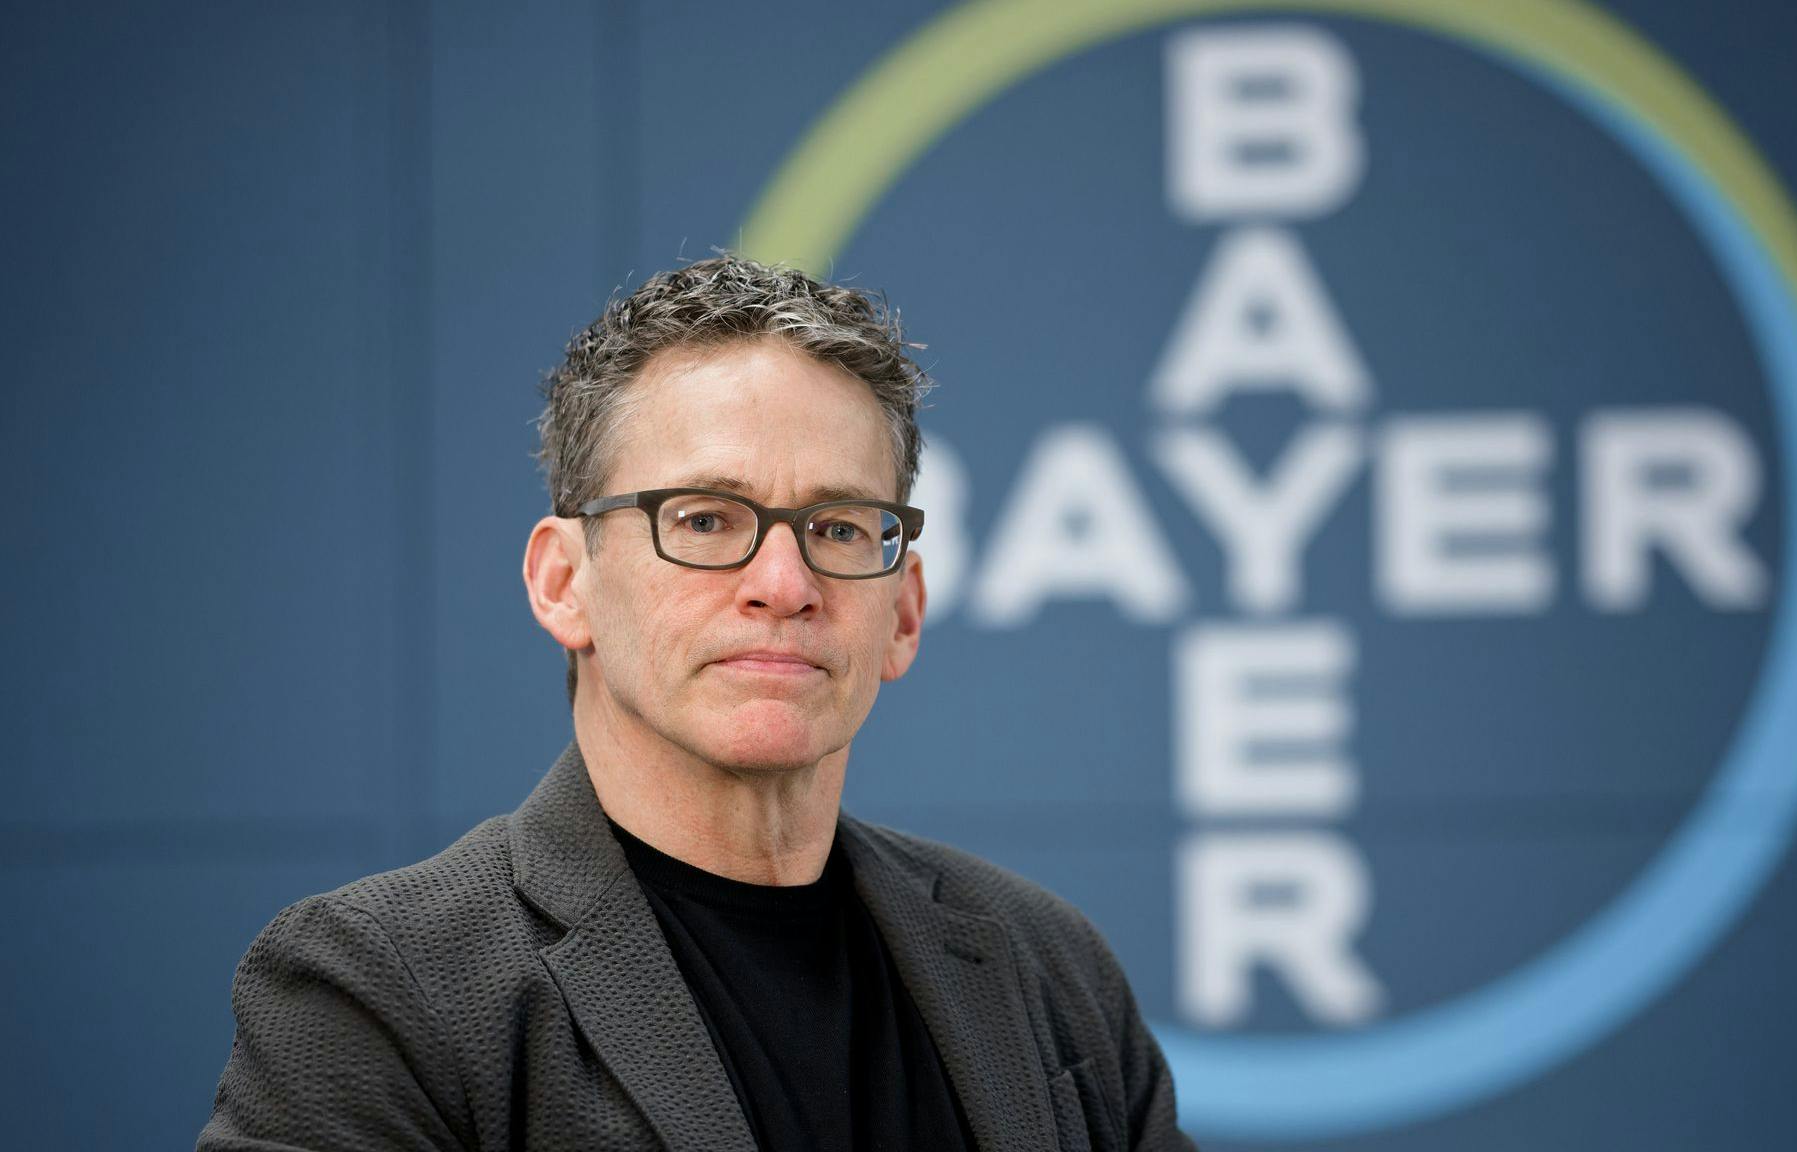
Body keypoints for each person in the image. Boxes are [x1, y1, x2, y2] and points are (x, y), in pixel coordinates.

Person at [198, 255, 1194, 1151]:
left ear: (902, 614)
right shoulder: (380, 988)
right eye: (706, 519)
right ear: (563, 583)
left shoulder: (1048, 967)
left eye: (840, 528)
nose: (783, 582)